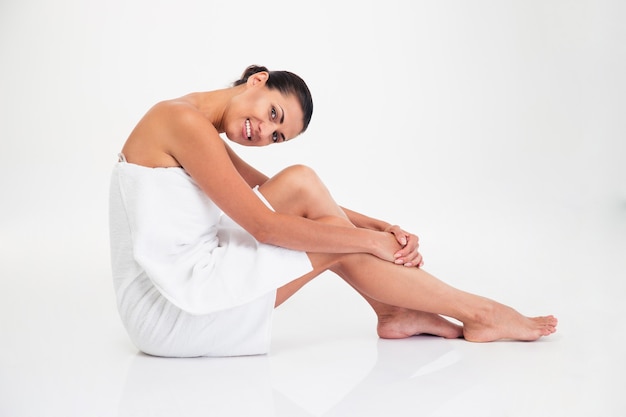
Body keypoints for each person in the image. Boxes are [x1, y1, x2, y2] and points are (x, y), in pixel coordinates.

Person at [109, 65, 557, 358]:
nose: (263, 132)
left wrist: (377, 224)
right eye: (272, 114)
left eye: (276, 136)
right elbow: (264, 225)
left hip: (184, 288)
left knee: (301, 182)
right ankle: (479, 312)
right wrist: (369, 242)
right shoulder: (182, 123)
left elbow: (270, 191)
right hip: (171, 313)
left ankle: (396, 312)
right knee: (331, 238)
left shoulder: (195, 123)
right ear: (257, 80)